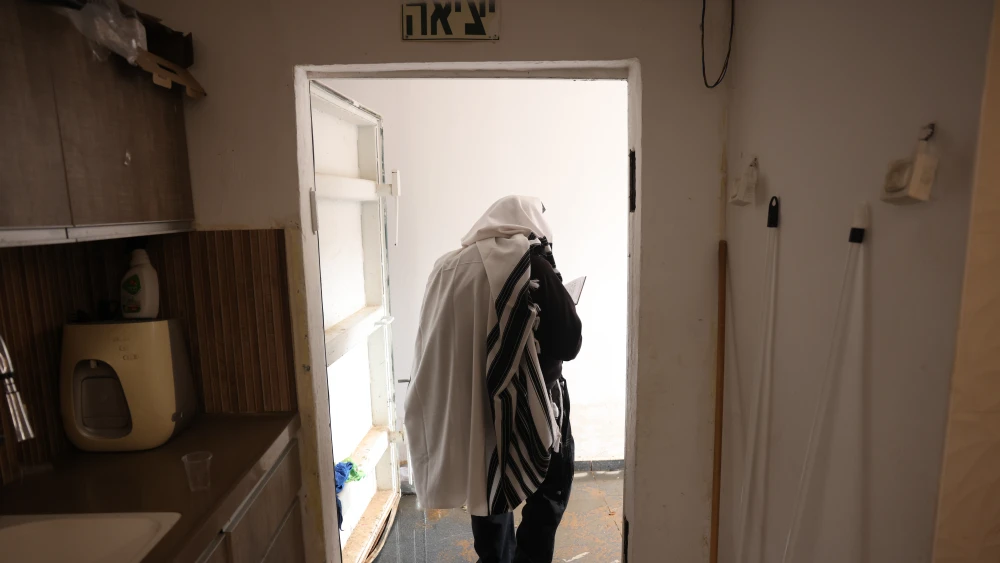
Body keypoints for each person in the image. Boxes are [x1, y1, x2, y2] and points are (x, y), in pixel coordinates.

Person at [404, 196, 583, 563]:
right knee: (550, 488)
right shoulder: (531, 263)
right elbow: (568, 342)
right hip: (534, 402)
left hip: (470, 401)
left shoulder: (446, 267)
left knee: (488, 488)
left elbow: (430, 338)